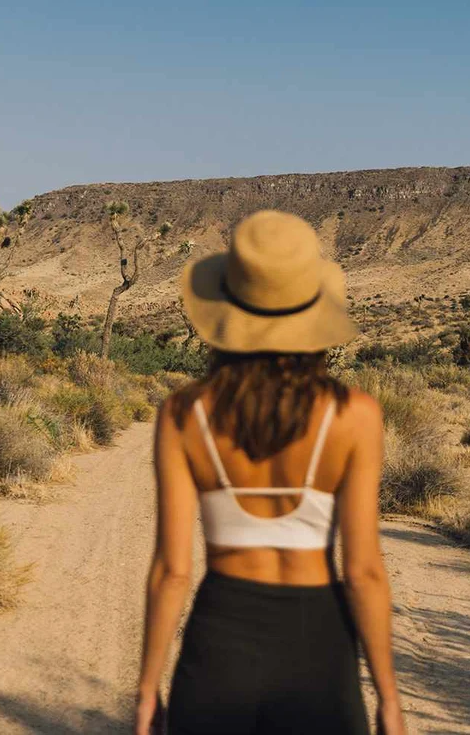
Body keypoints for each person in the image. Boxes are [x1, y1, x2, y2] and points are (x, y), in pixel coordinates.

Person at [134, 210, 406, 735]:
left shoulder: (184, 415)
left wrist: (147, 690)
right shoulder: (355, 416)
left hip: (219, 647)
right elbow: (365, 571)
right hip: (318, 652)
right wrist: (389, 698)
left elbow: (171, 571)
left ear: (225, 312)